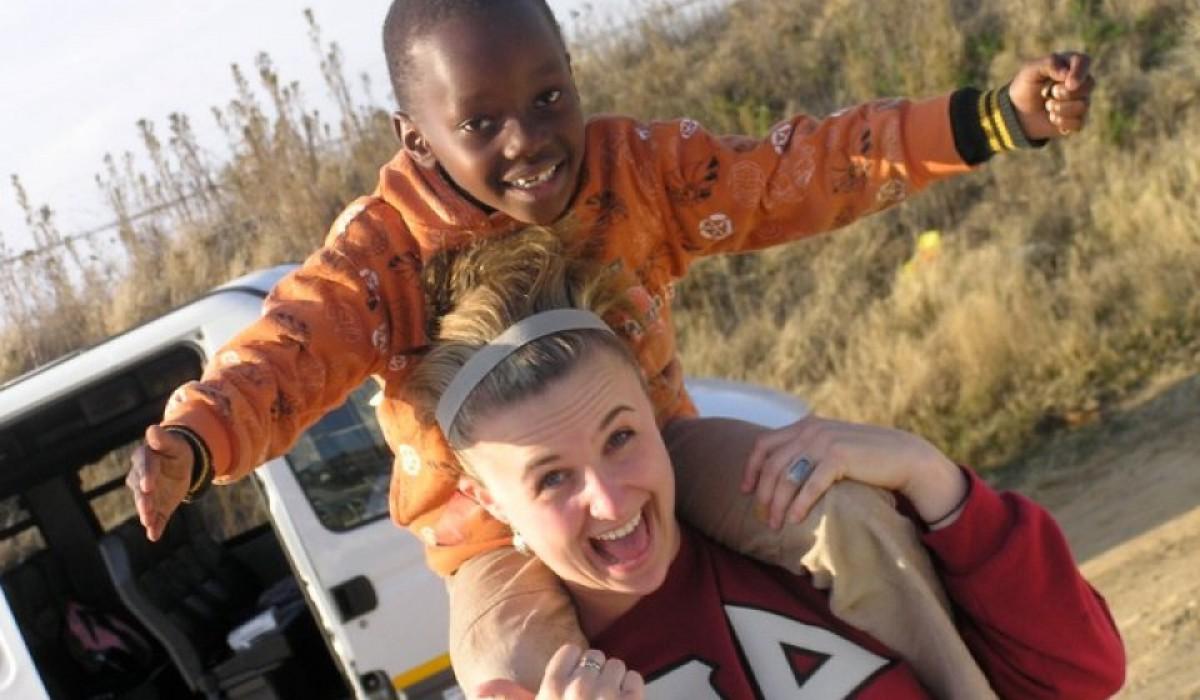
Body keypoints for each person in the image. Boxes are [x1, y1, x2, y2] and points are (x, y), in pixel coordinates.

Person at [124, 0, 1096, 693]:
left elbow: (799, 171)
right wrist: (197, 437)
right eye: (481, 122)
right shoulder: (378, 259)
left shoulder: (638, 171)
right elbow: (283, 354)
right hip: (487, 536)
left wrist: (987, 121)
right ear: (415, 137)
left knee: (837, 510)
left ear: (573, 76)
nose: (529, 141)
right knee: (511, 676)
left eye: (549, 99)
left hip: (657, 447)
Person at [403, 227, 1125, 699]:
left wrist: (928, 475)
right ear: (489, 501)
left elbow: (1083, 674)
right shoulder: (554, 685)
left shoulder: (818, 548)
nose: (611, 499)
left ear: (655, 419)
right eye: (552, 477)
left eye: (620, 438)